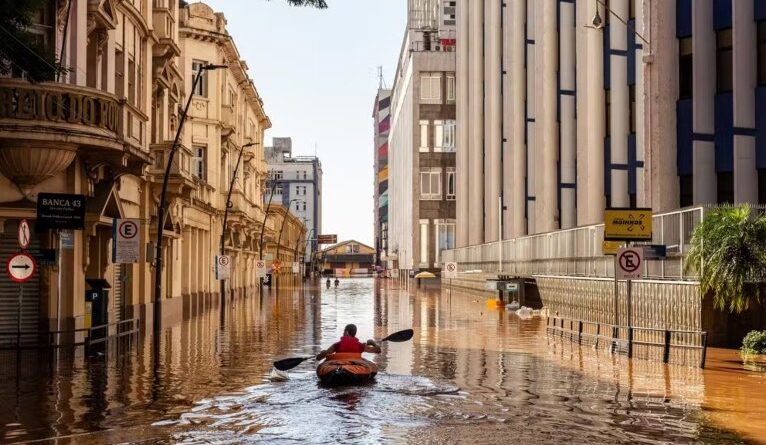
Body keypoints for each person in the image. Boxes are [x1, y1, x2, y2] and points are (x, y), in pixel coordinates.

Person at [316, 324, 381, 361]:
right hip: (355, 368)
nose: (342, 333)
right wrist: (372, 343)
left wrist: (322, 353)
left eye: (343, 331)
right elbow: (378, 350)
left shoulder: (337, 345)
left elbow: (319, 358)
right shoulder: (360, 346)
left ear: (346, 332)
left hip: (338, 366)